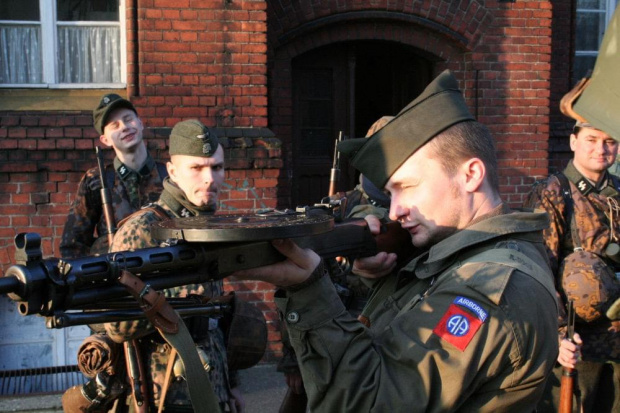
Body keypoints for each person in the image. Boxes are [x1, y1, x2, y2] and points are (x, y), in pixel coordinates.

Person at [231, 70, 559, 411]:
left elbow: (371, 402)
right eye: (390, 194)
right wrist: (383, 279)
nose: (396, 210)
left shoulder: (487, 288)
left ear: (471, 174)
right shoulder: (467, 261)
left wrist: (310, 290)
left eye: (407, 187)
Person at [103, 119, 244, 412]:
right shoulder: (143, 229)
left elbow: (214, 320)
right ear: (172, 171)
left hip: (212, 390)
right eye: (196, 168)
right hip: (164, 395)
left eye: (216, 167)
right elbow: (116, 326)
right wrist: (179, 296)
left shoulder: (209, 226)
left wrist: (231, 385)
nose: (209, 179)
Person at [277, 117, 394, 413]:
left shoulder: (418, 211)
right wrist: (293, 359)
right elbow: (296, 285)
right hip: (338, 336)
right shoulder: (340, 208)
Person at [524, 119, 620, 412]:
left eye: (609, 141)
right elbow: (539, 269)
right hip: (577, 347)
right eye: (591, 139)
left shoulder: (617, 191)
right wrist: (558, 334)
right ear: (573, 141)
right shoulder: (552, 192)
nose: (600, 149)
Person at [60, 93, 167, 258]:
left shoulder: (170, 176)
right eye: (114, 125)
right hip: (118, 279)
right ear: (105, 140)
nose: (124, 127)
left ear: (140, 123)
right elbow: (73, 247)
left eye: (128, 119)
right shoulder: (97, 180)